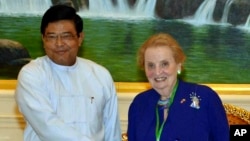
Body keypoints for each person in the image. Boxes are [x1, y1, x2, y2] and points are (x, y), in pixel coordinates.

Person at [15, 4, 121, 141]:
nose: (59, 44)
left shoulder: (101, 75)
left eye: (66, 36)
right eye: (52, 37)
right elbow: (48, 127)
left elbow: (112, 130)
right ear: (43, 39)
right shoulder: (31, 74)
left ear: (80, 38)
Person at [127, 33, 229, 141]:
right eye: (151, 65)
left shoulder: (205, 97)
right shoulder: (139, 104)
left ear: (178, 65)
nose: (157, 72)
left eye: (164, 64)